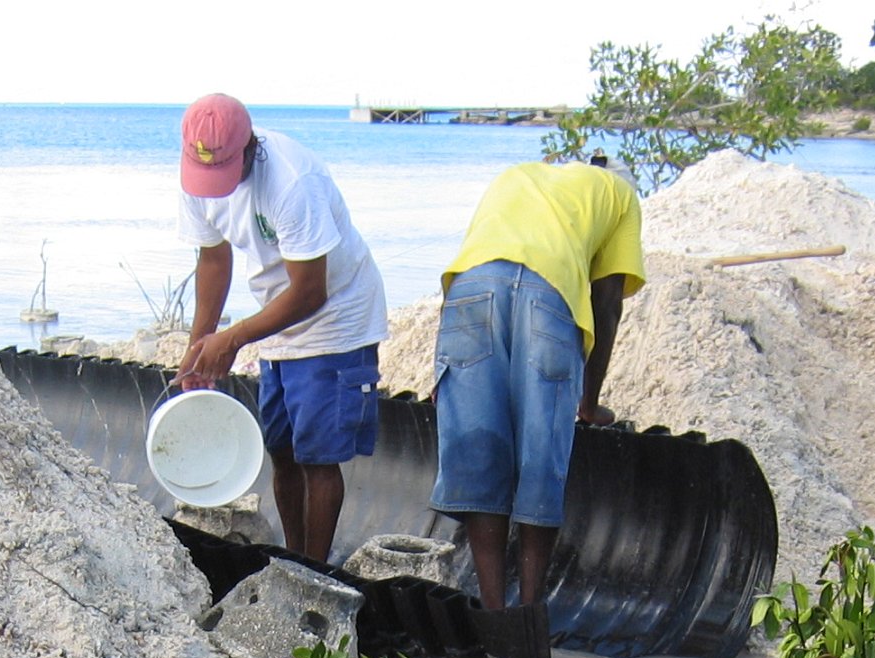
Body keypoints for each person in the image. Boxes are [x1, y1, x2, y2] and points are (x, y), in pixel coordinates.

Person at [174, 93, 388, 564]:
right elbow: (213, 259)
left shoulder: (292, 182)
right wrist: (199, 349)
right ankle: (293, 561)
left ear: (251, 146)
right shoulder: (195, 173)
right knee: (282, 449)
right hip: (276, 314)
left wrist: (233, 338)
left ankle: (314, 573)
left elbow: (312, 291)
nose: (217, 188)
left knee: (318, 456)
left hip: (335, 318)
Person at [429, 158, 644, 611]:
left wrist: (447, 376)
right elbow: (606, 302)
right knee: (540, 453)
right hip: (548, 295)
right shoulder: (621, 196)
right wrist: (589, 402)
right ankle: (529, 612)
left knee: (480, 448)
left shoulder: (518, 175)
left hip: (470, 291)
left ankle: (493, 611)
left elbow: (473, 266)